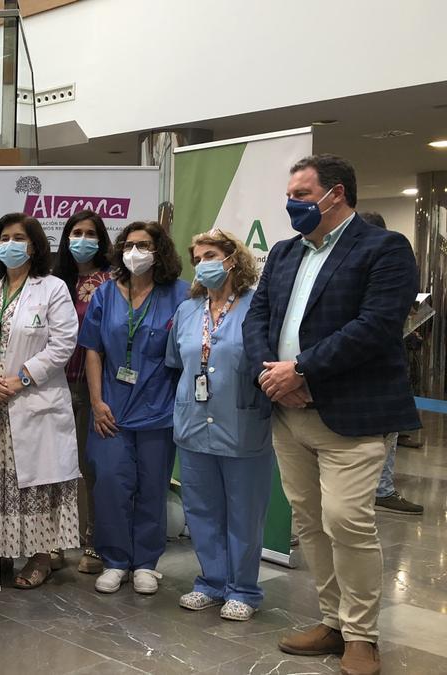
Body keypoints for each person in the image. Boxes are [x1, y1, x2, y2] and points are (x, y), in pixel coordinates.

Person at [243, 154, 420, 675]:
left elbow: (376, 326)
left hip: (351, 414)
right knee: (311, 523)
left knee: (347, 521)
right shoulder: (283, 253)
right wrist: (270, 374)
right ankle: (333, 622)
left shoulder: (384, 249)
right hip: (287, 411)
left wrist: (302, 370)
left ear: (335, 194)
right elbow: (258, 319)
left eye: (301, 194)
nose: (291, 203)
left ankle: (363, 635)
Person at [0, 213, 79, 589]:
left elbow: (64, 342)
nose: (11, 244)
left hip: (33, 400)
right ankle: (1, 551)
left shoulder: (52, 288)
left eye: (19, 237)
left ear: (35, 244)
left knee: (36, 485)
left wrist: (22, 378)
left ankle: (40, 557)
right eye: (4, 237)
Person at [166, 230, 272, 621]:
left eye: (210, 255)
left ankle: (243, 589)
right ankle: (211, 582)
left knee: (244, 512)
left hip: (242, 424)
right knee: (202, 510)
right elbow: (177, 361)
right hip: (193, 426)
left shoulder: (256, 307)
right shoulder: (188, 311)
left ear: (232, 259)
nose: (202, 264)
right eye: (196, 259)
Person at [77, 220, 188, 595]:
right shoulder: (106, 294)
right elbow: (93, 348)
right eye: (128, 244)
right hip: (110, 406)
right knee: (109, 482)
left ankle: (145, 562)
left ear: (160, 251)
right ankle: (115, 559)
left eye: (143, 245)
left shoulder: (180, 295)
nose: (134, 252)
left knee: (151, 486)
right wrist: (96, 401)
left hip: (158, 407)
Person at [54, 209, 114, 576]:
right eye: (76, 232)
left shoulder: (112, 282)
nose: (82, 239)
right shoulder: (52, 280)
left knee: (93, 468)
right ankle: (56, 542)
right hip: (52, 386)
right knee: (57, 468)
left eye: (90, 233)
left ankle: (94, 541)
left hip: (95, 386)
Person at [354, 211, 423, 516]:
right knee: (383, 434)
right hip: (372, 370)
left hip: (363, 369)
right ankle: (380, 489)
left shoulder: (364, 262)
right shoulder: (392, 258)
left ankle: (378, 489)